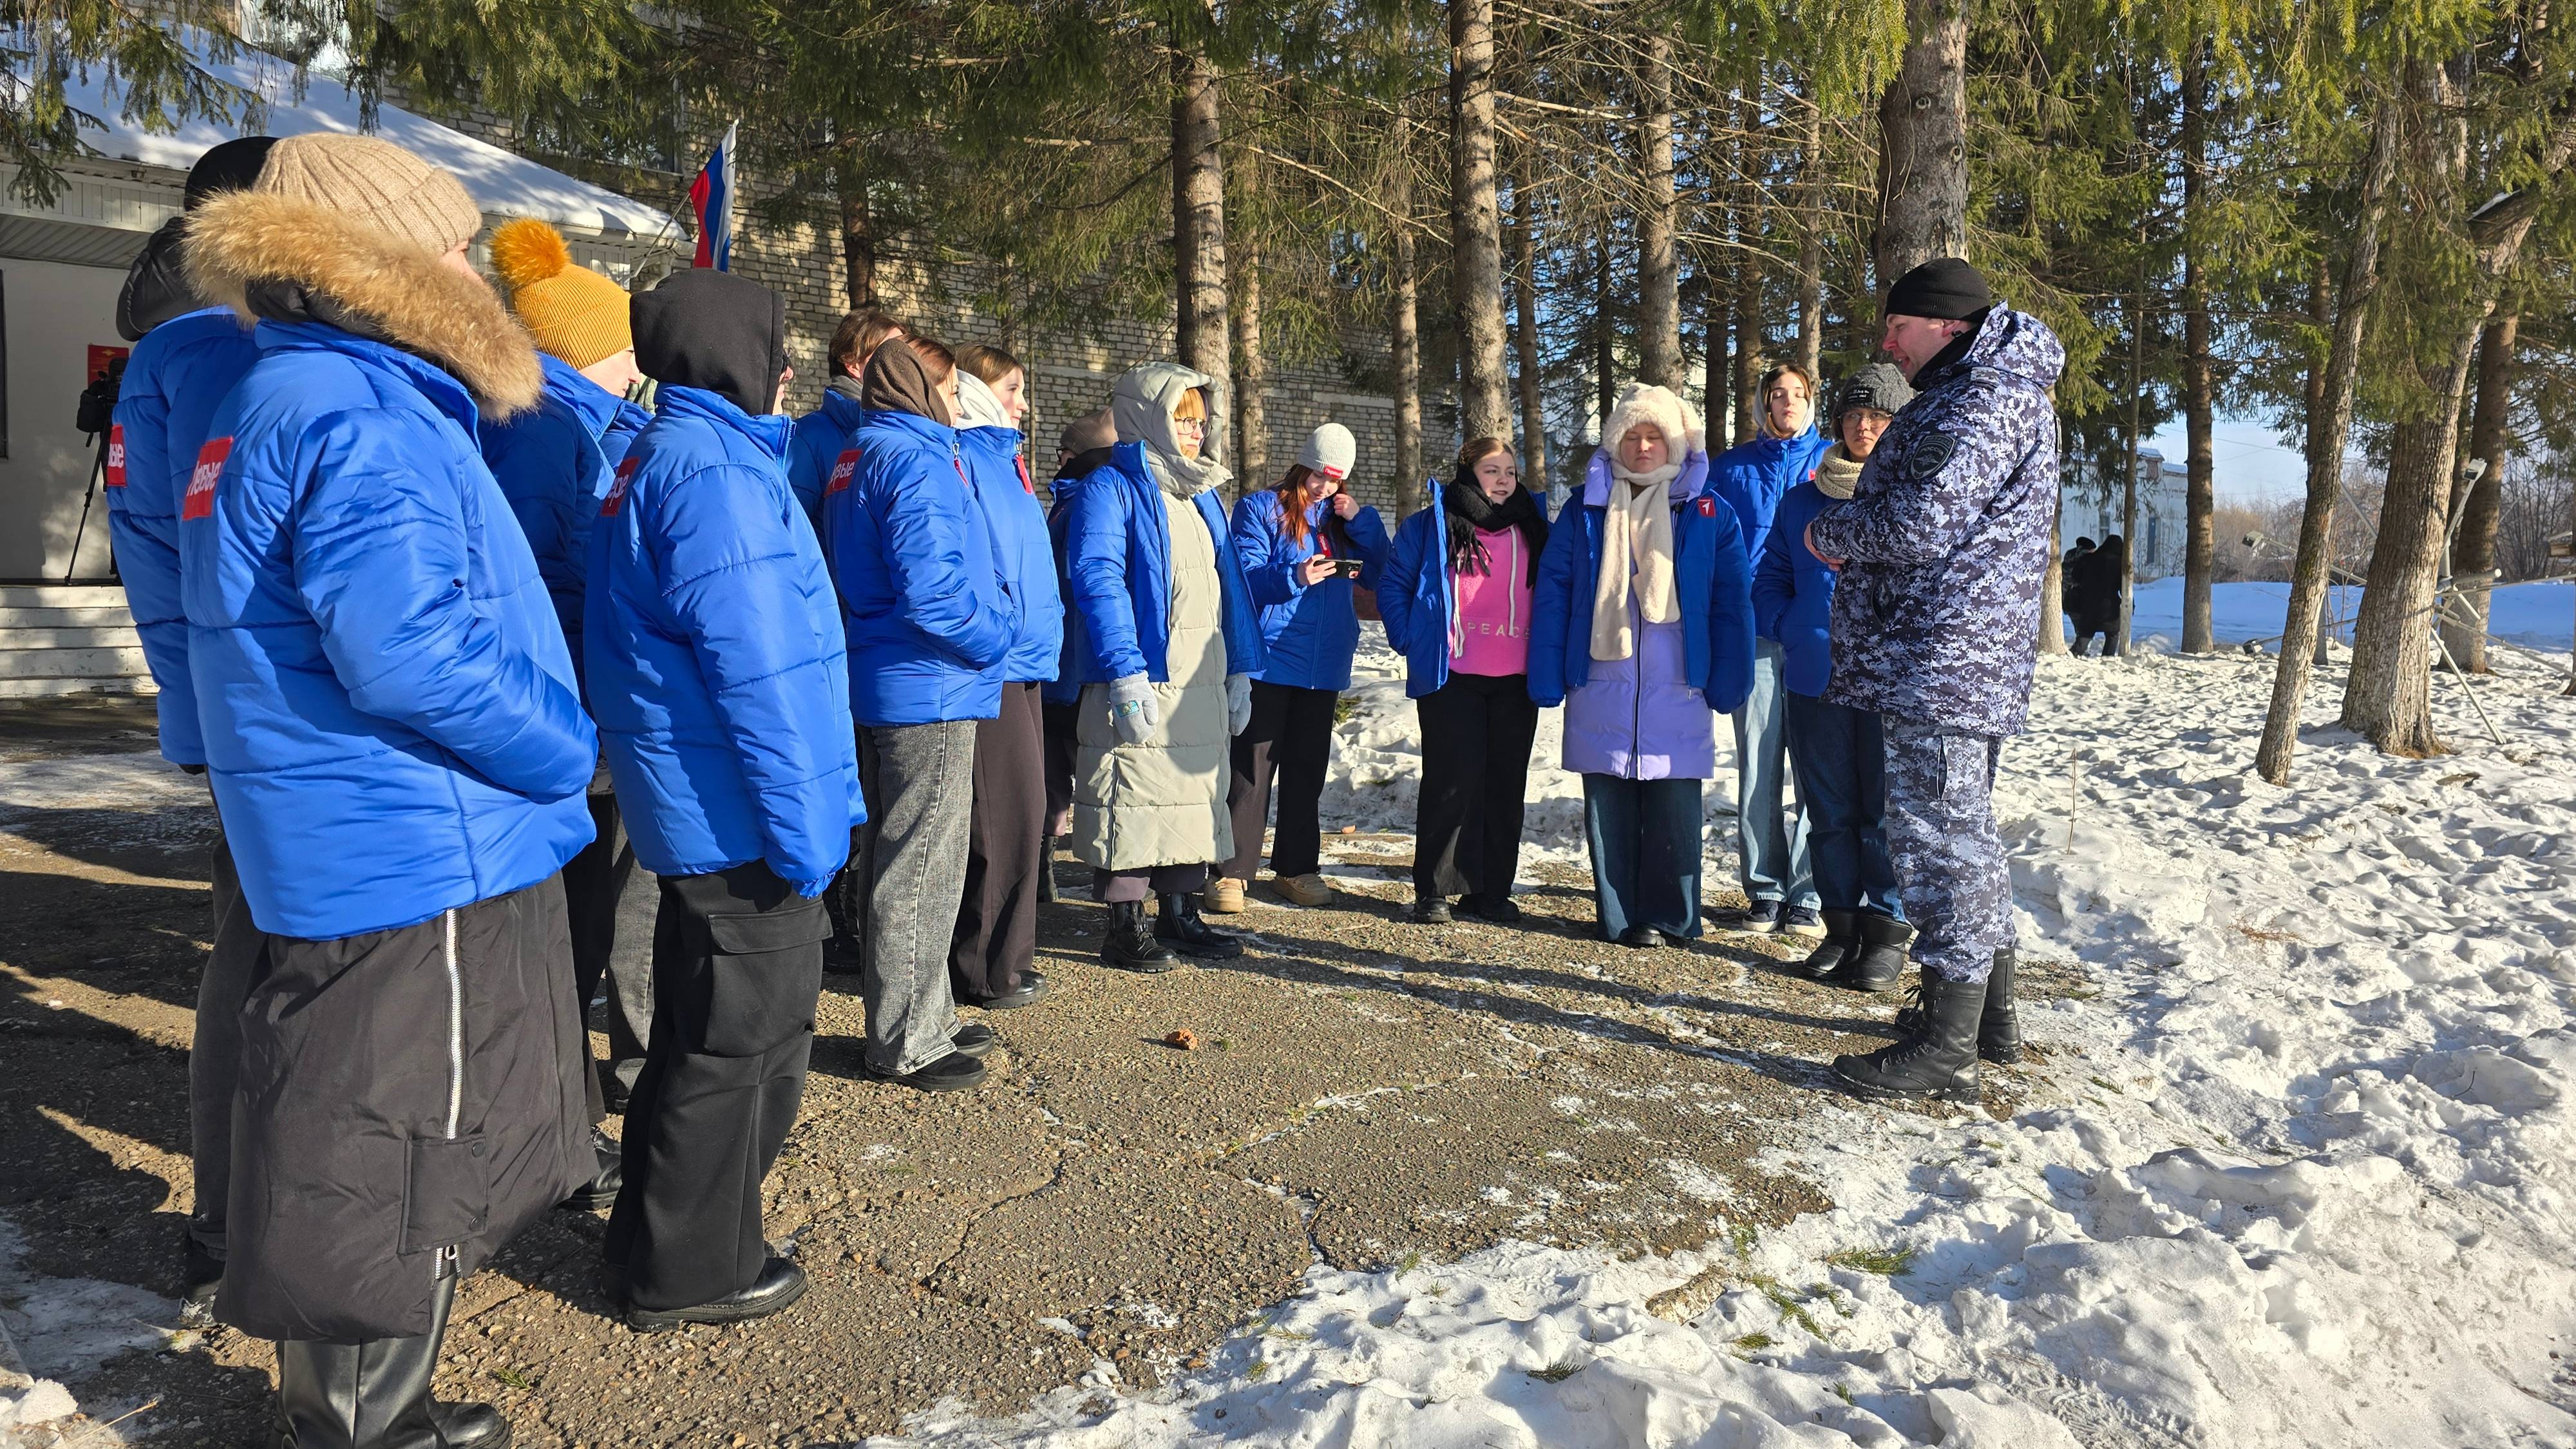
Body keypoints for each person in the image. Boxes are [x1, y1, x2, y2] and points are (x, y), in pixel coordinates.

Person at [179, 133, 592, 1448]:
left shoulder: (305, 389)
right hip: (417, 829)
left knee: (361, 1113)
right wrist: (563, 742)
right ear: (383, 262)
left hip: (373, 825)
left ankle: (353, 1401)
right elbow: (405, 646)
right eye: (454, 244)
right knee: (390, 1129)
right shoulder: (350, 407)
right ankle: (362, 1418)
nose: (474, 268)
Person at [589, 267, 864, 1329]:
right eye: (775, 350)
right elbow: (762, 674)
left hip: (703, 807)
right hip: (741, 816)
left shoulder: (676, 455)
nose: (789, 371)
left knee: (700, 1040)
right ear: (732, 356)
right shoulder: (711, 474)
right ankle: (695, 1270)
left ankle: (658, 1242)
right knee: (742, 1054)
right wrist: (806, 836)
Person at [1805, 256, 2065, 1101]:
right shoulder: (1978, 389)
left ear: (1947, 325)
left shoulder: (1987, 396)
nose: (1889, 343)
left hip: (1944, 655)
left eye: (1900, 328)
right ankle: (1987, 1019)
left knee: (1940, 838)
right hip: (1943, 652)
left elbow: (1921, 520)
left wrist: (1833, 532)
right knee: (1964, 833)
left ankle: (1944, 1044)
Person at [103, 134, 274, 1321]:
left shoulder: (167, 356)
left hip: (233, 712)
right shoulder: (213, 352)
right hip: (275, 720)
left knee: (249, 953)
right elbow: (197, 563)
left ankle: (232, 1216)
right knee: (272, 965)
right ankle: (244, 1220)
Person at [480, 216, 657, 1208]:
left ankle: (617, 1075)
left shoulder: (600, 425)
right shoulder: (540, 429)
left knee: (624, 898)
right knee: (568, 924)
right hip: (571, 708)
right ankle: (553, 1123)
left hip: (608, 700)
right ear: (587, 350)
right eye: (625, 343)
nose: (642, 359)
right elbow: (532, 579)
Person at [829, 336, 1016, 1090]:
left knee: (898, 854)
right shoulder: (913, 458)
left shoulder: (861, 452)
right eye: (951, 386)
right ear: (926, 388)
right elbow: (935, 592)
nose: (959, 399)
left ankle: (920, 1012)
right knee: (920, 865)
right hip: (929, 682)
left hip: (893, 678)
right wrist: (997, 631)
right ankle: (907, 1037)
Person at [1528, 384, 1755, 948]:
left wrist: (1732, 672)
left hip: (1679, 682)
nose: (1645, 446)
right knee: (1609, 810)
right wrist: (1546, 667)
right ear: (1615, 443)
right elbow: (1554, 591)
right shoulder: (1585, 508)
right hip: (1602, 680)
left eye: (1656, 435)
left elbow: (1732, 598)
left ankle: (1674, 917)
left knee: (1676, 809)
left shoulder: (1708, 511)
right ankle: (1620, 917)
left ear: (1677, 442)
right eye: (1633, 436)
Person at [1062, 364, 1265, 967]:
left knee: (1192, 793)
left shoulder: (1203, 493)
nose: (1195, 433)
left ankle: (1180, 911)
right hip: (1143, 674)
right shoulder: (1111, 487)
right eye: (1182, 419)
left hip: (1200, 677)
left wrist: (1240, 668)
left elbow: (1230, 585)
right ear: (1147, 416)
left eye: (1201, 422)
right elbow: (1097, 579)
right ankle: (1125, 922)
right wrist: (1124, 670)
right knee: (1132, 791)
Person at [1754, 363, 1916, 992]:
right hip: (1814, 680)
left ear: (1897, 424)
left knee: (1881, 813)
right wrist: (1792, 622)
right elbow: (1769, 576)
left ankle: (1883, 933)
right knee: (1828, 813)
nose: (1863, 426)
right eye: (1853, 414)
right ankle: (1840, 929)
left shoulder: (1911, 498)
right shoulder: (1802, 499)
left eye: (1876, 416)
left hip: (1889, 685)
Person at [1214, 423, 1389, 911]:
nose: (1324, 487)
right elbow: (1242, 579)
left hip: (1326, 663)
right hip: (1271, 661)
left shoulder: (1344, 520)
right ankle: (1230, 872)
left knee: (1306, 773)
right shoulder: (1260, 508)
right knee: (1250, 771)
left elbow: (1383, 572)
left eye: (1335, 480)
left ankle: (1296, 868)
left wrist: (1364, 524)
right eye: (1318, 475)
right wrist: (1294, 575)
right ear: (1303, 463)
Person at [1380, 437, 1548, 925]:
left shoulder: (1536, 529)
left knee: (1504, 786)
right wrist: (1413, 637)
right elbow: (1395, 584)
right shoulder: (1431, 525)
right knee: (1451, 783)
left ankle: (1491, 891)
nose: (1502, 480)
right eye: (1492, 470)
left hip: (1517, 679)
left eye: (1510, 472)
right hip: (1451, 674)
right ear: (1468, 473)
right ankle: (1433, 889)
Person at [947, 343, 1066, 1009]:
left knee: (1024, 817)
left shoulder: (1003, 459)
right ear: (979, 391)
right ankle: (985, 968)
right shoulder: (964, 456)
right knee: (999, 822)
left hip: (1025, 660)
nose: (1024, 403)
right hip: (993, 662)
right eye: (1014, 389)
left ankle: (1009, 957)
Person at [792, 310, 907, 974]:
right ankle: (832, 921)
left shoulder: (880, 436)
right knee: (847, 788)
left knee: (875, 793)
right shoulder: (812, 439)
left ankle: (857, 920)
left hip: (873, 646)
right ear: (859, 363)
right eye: (894, 359)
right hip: (836, 643)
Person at [1708, 365, 1827, 938]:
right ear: (1760, 404)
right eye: (1777, 395)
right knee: (1758, 762)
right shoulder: (1730, 469)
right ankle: (1764, 889)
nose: (1787, 403)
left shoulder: (1834, 461)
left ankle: (1808, 892)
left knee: (1812, 765)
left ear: (1811, 403)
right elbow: (1708, 548)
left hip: (1814, 635)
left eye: (1798, 395)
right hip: (1752, 633)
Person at [1041, 408, 1121, 904]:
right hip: (1077, 663)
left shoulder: (1077, 503)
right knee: (1067, 772)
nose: (1059, 460)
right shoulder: (1077, 501)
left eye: (1065, 453)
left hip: (1070, 663)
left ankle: (1044, 864)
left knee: (1058, 772)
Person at [785, 308, 905, 529]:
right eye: (890, 354)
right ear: (852, 363)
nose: (905, 364)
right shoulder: (809, 438)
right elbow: (791, 529)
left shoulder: (904, 430)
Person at [2069, 535, 2126, 658]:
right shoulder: (2119, 564)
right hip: (2110, 607)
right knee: (2113, 634)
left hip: (2088, 604)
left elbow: (2075, 577)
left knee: (2086, 633)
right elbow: (2124, 587)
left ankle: (2074, 654)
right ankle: (2107, 658)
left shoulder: (2089, 559)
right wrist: (2130, 604)